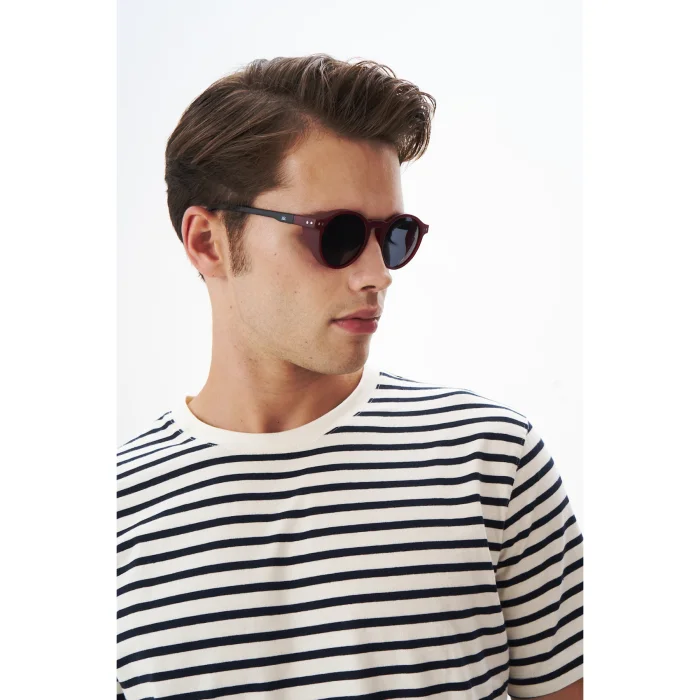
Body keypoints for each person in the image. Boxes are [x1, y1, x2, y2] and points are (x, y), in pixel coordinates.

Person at [117, 54, 583, 700]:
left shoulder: (490, 462)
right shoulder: (113, 517)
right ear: (207, 242)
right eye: (335, 235)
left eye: (394, 235)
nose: (377, 274)